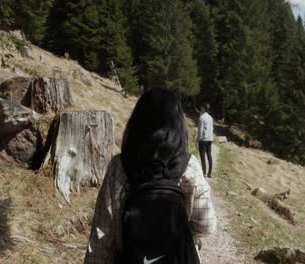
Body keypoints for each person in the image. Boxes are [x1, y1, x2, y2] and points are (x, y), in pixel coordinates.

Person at [84, 88, 216, 264]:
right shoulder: (189, 166)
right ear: (178, 124)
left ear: (137, 123)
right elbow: (206, 226)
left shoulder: (119, 166)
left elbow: (102, 235)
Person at [197, 103, 214, 178]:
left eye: (201, 107)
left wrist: (197, 140)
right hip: (210, 138)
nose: (200, 108)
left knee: (202, 156)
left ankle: (204, 172)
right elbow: (211, 128)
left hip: (203, 139)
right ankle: (209, 173)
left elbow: (200, 131)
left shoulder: (201, 117)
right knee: (209, 155)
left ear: (204, 108)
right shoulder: (210, 117)